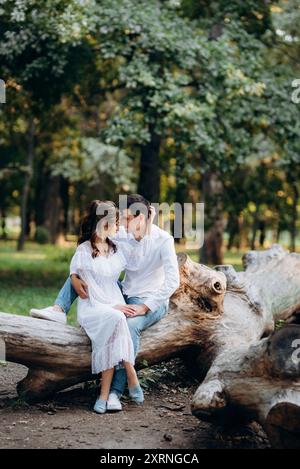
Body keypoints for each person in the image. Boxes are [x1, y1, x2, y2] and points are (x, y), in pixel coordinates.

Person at [30, 194, 180, 412]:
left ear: (142, 218)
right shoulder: (122, 233)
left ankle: (114, 392)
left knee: (128, 327)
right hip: (123, 292)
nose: (123, 224)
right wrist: (73, 276)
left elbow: (173, 280)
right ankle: (59, 308)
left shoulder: (162, 240)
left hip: (149, 298)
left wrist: (146, 306)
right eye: (122, 219)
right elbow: (91, 253)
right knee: (87, 272)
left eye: (128, 219)